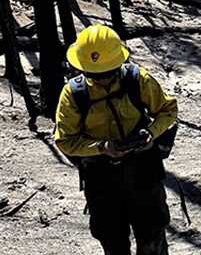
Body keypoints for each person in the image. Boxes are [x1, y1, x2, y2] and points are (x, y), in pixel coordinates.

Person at [54, 24, 178, 255]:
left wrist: (151, 133)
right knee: (113, 244)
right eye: (94, 75)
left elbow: (168, 110)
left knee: (152, 240)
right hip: (101, 179)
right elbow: (65, 140)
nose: (101, 80)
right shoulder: (73, 94)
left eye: (107, 73)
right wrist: (100, 148)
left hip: (143, 172)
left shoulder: (137, 79)